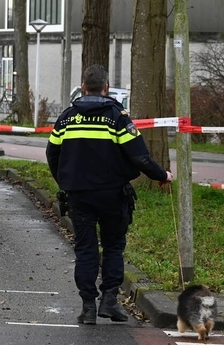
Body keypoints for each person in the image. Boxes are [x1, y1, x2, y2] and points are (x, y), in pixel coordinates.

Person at [45, 64, 174, 325]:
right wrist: (162, 176)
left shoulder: (67, 117)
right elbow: (139, 156)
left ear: (83, 87)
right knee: (113, 247)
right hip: (112, 194)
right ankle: (110, 301)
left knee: (85, 250)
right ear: (105, 88)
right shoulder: (117, 117)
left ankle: (87, 308)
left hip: (79, 195)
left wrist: (66, 181)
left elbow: (52, 153)